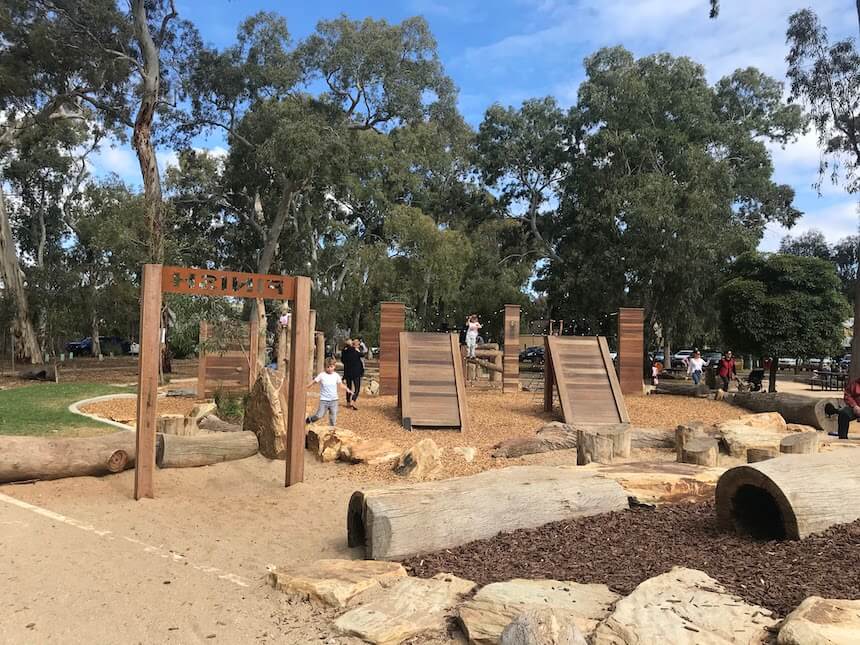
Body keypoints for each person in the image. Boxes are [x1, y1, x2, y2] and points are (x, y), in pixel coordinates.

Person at [306, 357, 353, 426]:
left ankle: (331, 431)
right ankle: (309, 419)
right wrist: (306, 387)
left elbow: (341, 385)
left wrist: (347, 389)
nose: (330, 368)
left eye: (331, 367)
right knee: (319, 415)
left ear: (334, 366)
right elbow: (314, 382)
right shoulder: (322, 375)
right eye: (328, 367)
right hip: (324, 400)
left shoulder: (336, 375)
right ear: (325, 367)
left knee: (333, 418)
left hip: (334, 400)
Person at [341, 339, 365, 410]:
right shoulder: (355, 351)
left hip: (347, 372)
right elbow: (362, 354)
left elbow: (342, 360)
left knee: (349, 387)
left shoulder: (344, 352)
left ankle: (348, 402)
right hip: (356, 372)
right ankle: (352, 401)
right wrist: (358, 348)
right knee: (357, 389)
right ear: (352, 344)